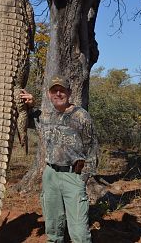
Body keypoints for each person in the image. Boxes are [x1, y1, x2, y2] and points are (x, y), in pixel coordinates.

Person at [20, 75, 99, 243]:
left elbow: (92, 149)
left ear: (69, 92)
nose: (58, 93)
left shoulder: (81, 116)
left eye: (62, 90)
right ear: (49, 94)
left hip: (73, 176)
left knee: (79, 232)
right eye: (54, 90)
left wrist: (83, 178)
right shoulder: (46, 115)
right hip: (50, 175)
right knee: (53, 228)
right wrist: (28, 105)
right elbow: (26, 121)